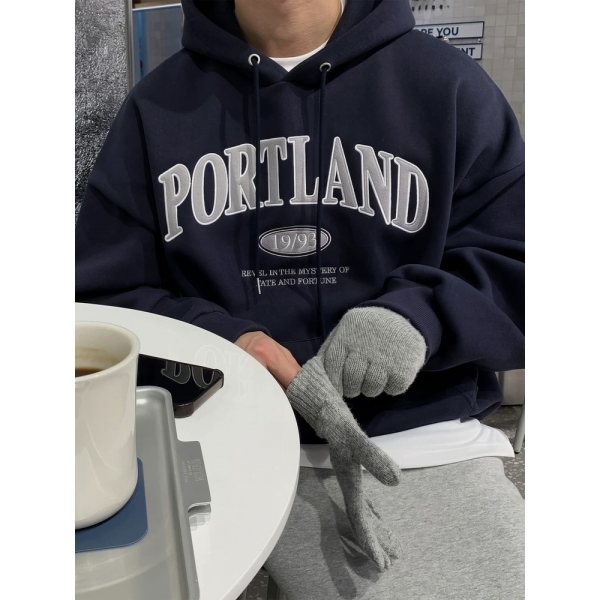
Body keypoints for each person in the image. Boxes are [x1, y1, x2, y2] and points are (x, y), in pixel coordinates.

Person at [76, 0, 525, 597]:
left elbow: (520, 262)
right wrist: (228, 342)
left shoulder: (450, 88)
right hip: (213, 443)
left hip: (418, 442)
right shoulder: (154, 109)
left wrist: (418, 316)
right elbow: (100, 300)